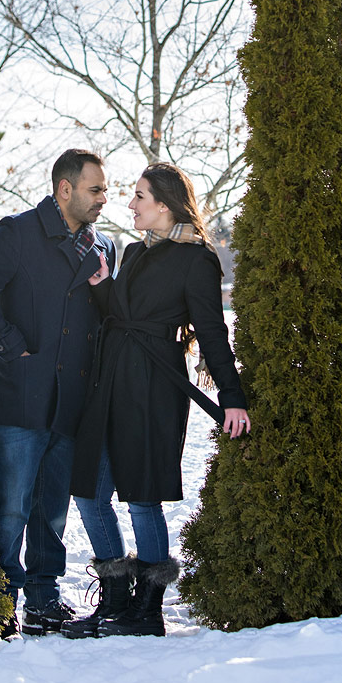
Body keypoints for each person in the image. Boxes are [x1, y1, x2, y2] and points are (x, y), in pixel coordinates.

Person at [63, 162, 250, 639]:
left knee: (143, 497)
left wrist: (232, 397)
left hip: (153, 386)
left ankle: (147, 609)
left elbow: (211, 332)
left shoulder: (197, 259)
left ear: (165, 205)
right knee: (88, 490)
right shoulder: (133, 251)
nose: (130, 204)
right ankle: (117, 595)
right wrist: (104, 286)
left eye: (140, 197)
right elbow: (124, 315)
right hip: (109, 383)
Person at [0, 149, 116, 638]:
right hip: (22, 393)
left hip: (72, 398)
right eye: (95, 190)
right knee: (12, 507)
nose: (103, 200)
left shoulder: (104, 246)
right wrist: (8, 341)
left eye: (106, 190)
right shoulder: (18, 232)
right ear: (64, 189)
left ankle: (44, 597)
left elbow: (107, 318)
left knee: (52, 509)